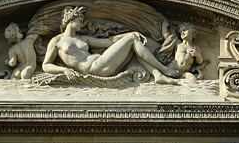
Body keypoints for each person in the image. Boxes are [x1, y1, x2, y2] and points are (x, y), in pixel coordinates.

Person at [42, 6, 181, 84]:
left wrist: (131, 33)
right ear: (70, 21)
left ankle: (158, 75)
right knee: (132, 40)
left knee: (133, 42)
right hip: (92, 68)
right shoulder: (57, 41)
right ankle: (163, 69)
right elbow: (45, 65)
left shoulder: (83, 38)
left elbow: (109, 42)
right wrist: (63, 70)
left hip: (100, 63)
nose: (82, 24)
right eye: (79, 20)